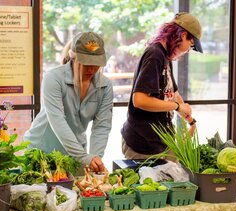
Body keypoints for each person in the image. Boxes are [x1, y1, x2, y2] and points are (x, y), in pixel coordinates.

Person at [24, 32, 113, 173]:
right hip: (42, 152)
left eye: (96, 64)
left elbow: (102, 126)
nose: (91, 69)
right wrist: (84, 157)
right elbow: (57, 120)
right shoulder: (54, 78)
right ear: (73, 58)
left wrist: (95, 158)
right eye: (86, 63)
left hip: (75, 154)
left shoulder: (105, 86)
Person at [121, 12, 203, 161]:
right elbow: (139, 100)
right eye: (190, 46)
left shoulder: (165, 56)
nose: (187, 51)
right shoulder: (155, 54)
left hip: (161, 141)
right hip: (143, 143)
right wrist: (177, 107)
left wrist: (188, 117)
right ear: (183, 35)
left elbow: (173, 93)